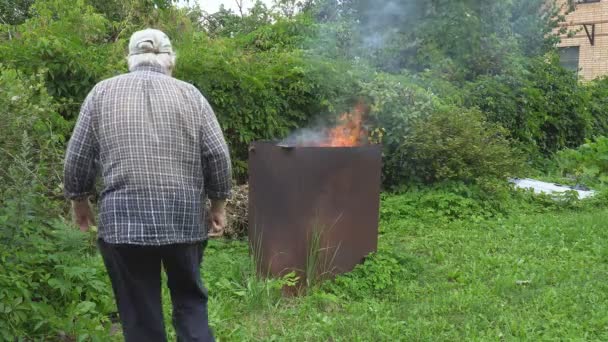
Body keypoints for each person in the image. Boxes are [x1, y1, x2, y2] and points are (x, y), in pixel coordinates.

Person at [63, 28, 232, 341]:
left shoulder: (101, 93)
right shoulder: (191, 95)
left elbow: (77, 156)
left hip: (124, 223)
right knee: (190, 301)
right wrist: (218, 205)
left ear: (130, 58)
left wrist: (79, 202)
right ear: (170, 61)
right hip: (183, 221)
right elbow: (217, 155)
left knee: (140, 315)